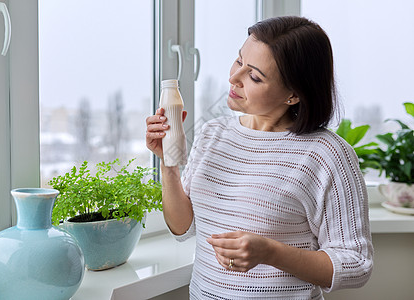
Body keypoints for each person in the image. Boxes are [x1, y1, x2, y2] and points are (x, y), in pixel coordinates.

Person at [146, 16, 373, 300]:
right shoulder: (212, 134)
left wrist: (270, 252)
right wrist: (168, 165)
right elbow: (183, 228)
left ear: (292, 94)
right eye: (238, 61)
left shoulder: (327, 155)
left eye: (254, 76)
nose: (233, 78)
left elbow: (356, 264)